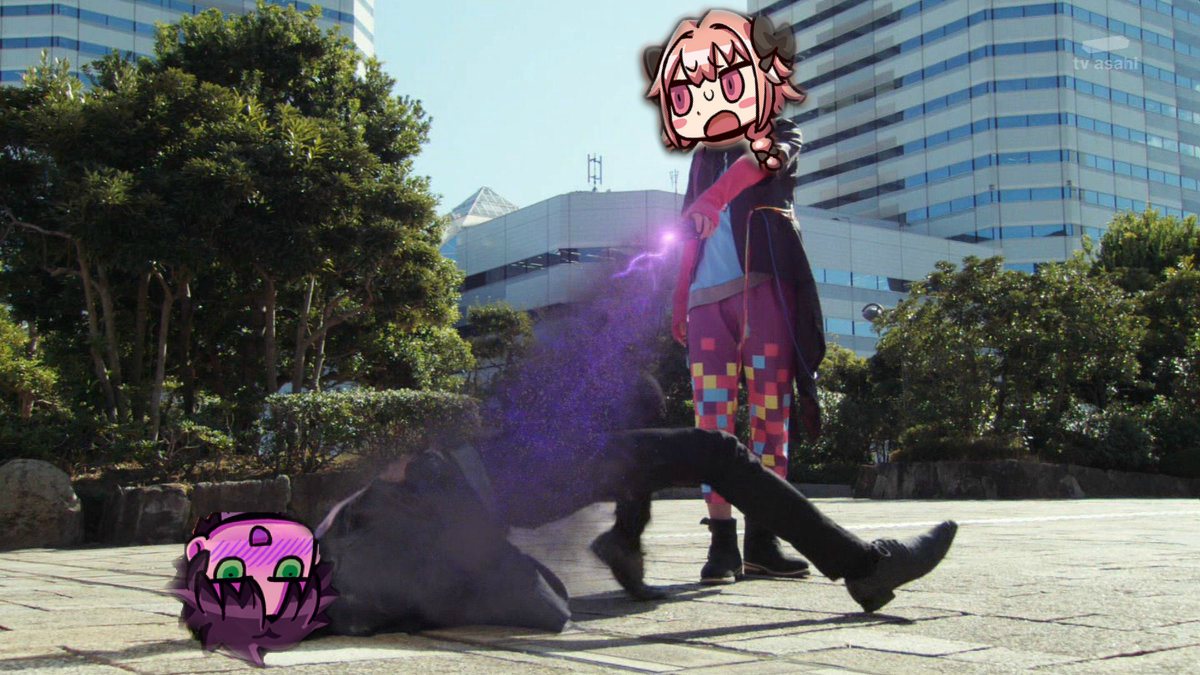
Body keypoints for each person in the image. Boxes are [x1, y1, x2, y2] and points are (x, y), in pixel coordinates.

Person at [317, 377, 957, 636]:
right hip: (495, 483)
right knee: (705, 446)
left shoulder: (341, 546)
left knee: (677, 431)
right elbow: (542, 606)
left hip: (494, 478)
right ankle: (864, 567)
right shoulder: (350, 569)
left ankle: (626, 537)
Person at [644, 9, 826, 583]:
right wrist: (679, 301)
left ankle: (762, 542)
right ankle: (722, 544)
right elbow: (687, 233)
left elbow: (761, 162)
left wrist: (716, 197)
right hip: (704, 305)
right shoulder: (702, 155)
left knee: (771, 419)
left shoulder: (783, 133)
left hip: (764, 293)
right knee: (712, 426)